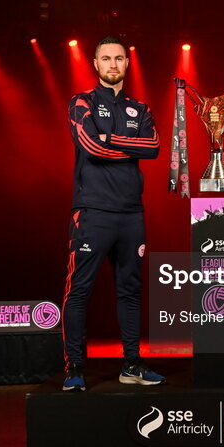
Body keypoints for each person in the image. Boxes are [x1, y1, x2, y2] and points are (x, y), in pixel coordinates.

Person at [61, 36, 164, 391]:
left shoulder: (141, 108)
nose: (113, 64)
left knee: (130, 291)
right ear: (95, 63)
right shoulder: (81, 102)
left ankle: (132, 364)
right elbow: (88, 145)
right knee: (79, 292)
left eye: (119, 58)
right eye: (106, 58)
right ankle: (75, 368)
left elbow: (153, 147)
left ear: (127, 63)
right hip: (92, 212)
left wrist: (108, 140)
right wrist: (111, 144)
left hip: (131, 214)